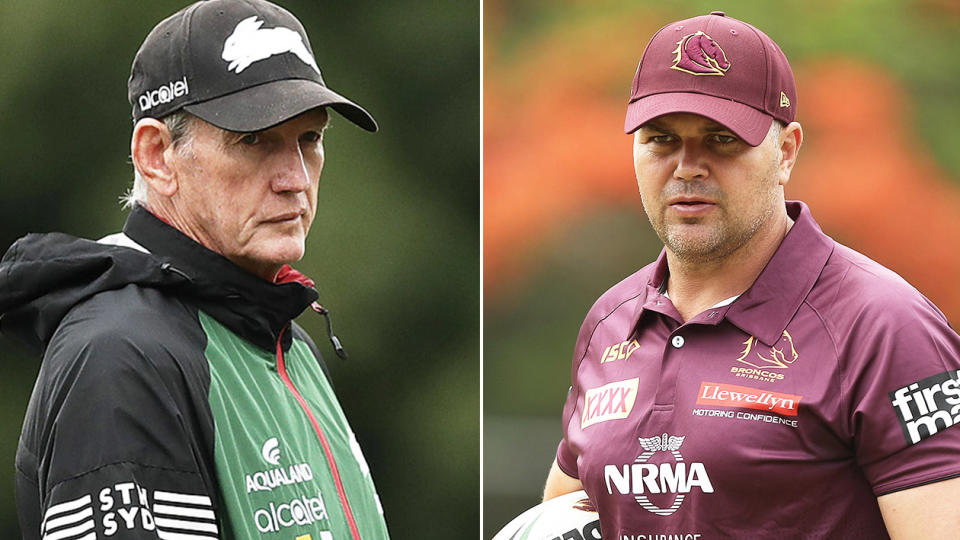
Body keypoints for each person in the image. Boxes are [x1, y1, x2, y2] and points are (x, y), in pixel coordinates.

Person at [541, 11, 960, 539]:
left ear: (785, 152)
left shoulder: (884, 325)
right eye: (661, 139)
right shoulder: (610, 323)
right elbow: (559, 519)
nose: (687, 166)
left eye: (721, 140)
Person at [0, 1, 390, 538]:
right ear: (157, 156)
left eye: (310, 139)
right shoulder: (120, 358)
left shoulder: (288, 343)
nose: (295, 179)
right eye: (254, 140)